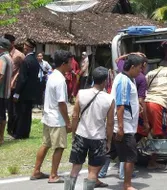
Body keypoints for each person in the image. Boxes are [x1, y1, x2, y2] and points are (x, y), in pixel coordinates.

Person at [65, 66, 115, 190]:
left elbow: (75, 115)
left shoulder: (81, 93)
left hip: (81, 134)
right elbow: (110, 123)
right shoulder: (109, 99)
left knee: (75, 167)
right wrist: (109, 140)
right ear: (105, 81)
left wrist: (74, 134)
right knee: (93, 171)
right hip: (98, 138)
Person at [30, 50, 72, 183]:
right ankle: (53, 175)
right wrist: (68, 122)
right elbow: (62, 104)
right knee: (59, 147)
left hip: (48, 116)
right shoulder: (60, 80)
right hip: (57, 119)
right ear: (64, 64)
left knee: (45, 144)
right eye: (70, 62)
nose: (71, 65)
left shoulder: (52, 75)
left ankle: (36, 171)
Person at [110, 54, 144, 190]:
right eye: (139, 68)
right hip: (125, 126)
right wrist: (121, 127)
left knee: (111, 153)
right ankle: (127, 184)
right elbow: (120, 105)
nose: (140, 71)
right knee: (130, 156)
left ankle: (94, 178)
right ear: (132, 67)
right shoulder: (124, 81)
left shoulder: (127, 78)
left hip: (125, 124)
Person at [12, 39, 40, 139]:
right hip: (31, 93)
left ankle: (19, 133)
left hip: (24, 92)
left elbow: (22, 79)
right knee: (27, 114)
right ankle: (25, 133)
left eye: (25, 46)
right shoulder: (35, 61)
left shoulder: (26, 61)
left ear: (27, 47)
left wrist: (17, 93)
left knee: (20, 113)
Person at [4, 34, 25, 137]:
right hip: (5, 86)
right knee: (6, 109)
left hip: (13, 86)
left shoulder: (19, 55)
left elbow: (22, 72)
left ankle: (12, 130)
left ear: (12, 43)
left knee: (13, 110)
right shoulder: (4, 54)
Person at [0, 38, 13, 145]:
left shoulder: (3, 58)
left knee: (1, 115)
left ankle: (0, 138)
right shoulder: (9, 57)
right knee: (3, 115)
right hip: (5, 92)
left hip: (1, 92)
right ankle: (1, 137)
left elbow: (1, 75)